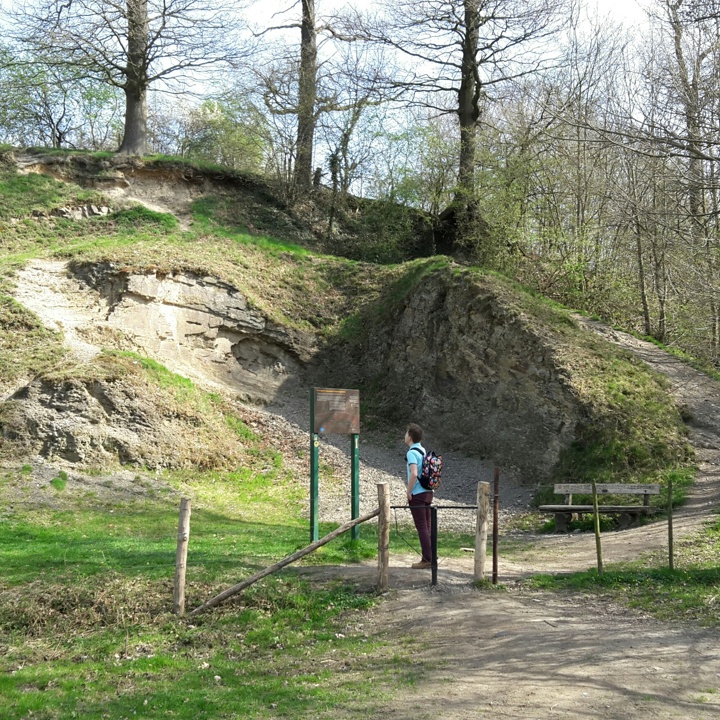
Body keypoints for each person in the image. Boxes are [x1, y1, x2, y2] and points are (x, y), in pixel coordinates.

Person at [404, 423, 433, 569]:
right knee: (427, 526)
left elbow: (414, 473)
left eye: (406, 433)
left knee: (421, 526)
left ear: (410, 436)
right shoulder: (423, 450)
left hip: (418, 493)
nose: (404, 436)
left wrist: (408, 491)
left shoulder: (411, 452)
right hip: (428, 492)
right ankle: (431, 556)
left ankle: (427, 559)